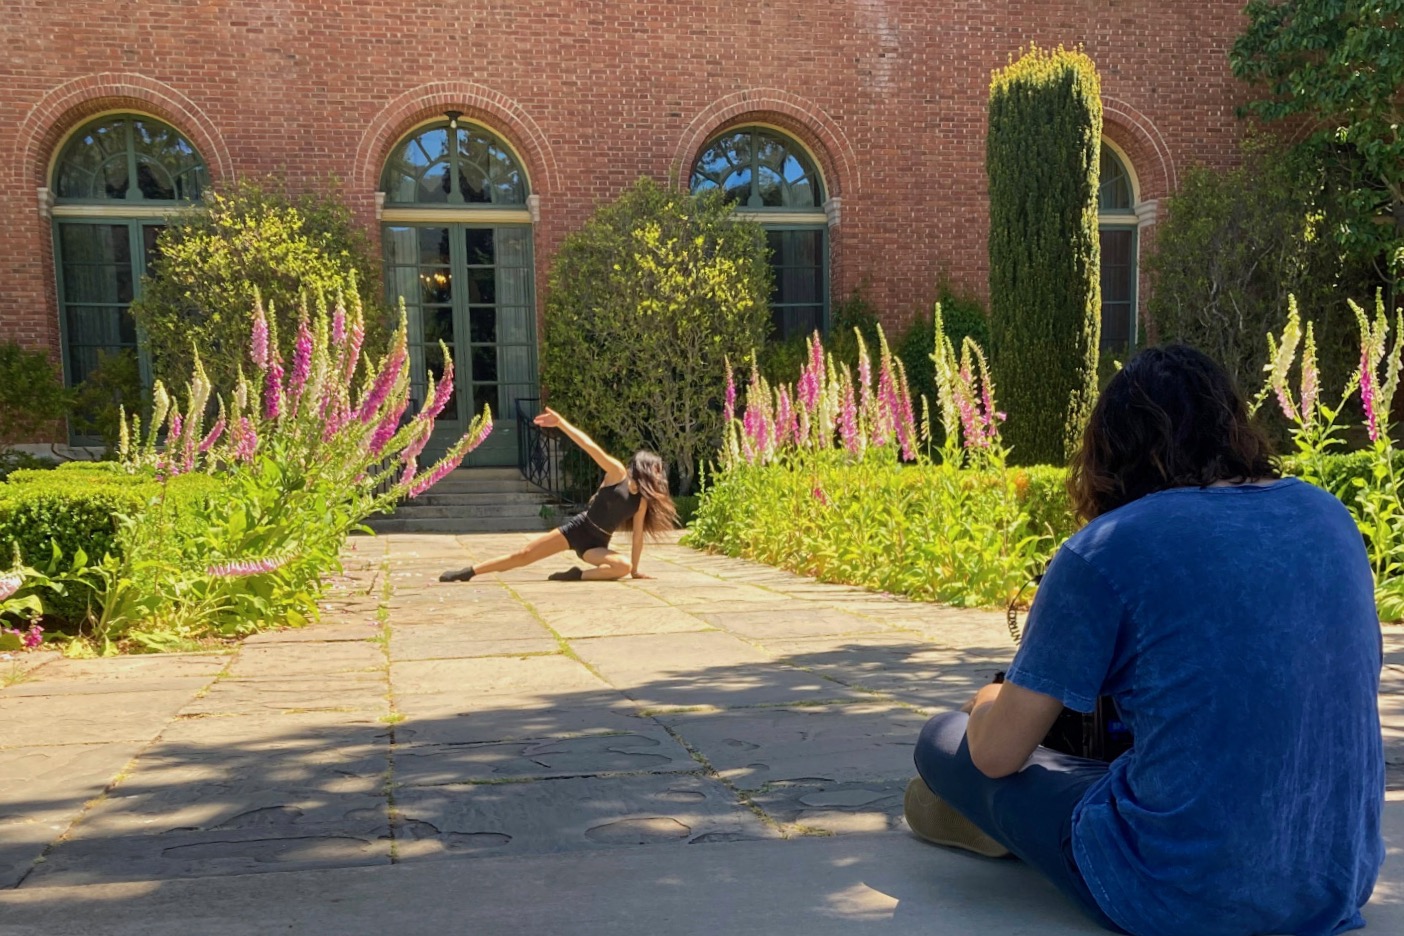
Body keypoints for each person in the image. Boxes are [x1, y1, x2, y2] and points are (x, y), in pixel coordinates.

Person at [904, 345, 1384, 935]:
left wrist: (984, 704)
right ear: (1233, 426)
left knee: (945, 740)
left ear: (1111, 449)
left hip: (1178, 893)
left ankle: (992, 819)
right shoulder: (1329, 515)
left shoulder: (1109, 547)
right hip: (1333, 883)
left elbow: (996, 753)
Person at [438, 407, 677, 583]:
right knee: (524, 555)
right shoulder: (617, 473)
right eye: (657, 471)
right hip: (578, 529)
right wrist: (561, 423)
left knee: (621, 567)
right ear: (644, 468)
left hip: (597, 545)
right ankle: (468, 572)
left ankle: (575, 575)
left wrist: (634, 570)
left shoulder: (642, 503)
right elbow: (589, 446)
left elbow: (637, 538)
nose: (659, 477)